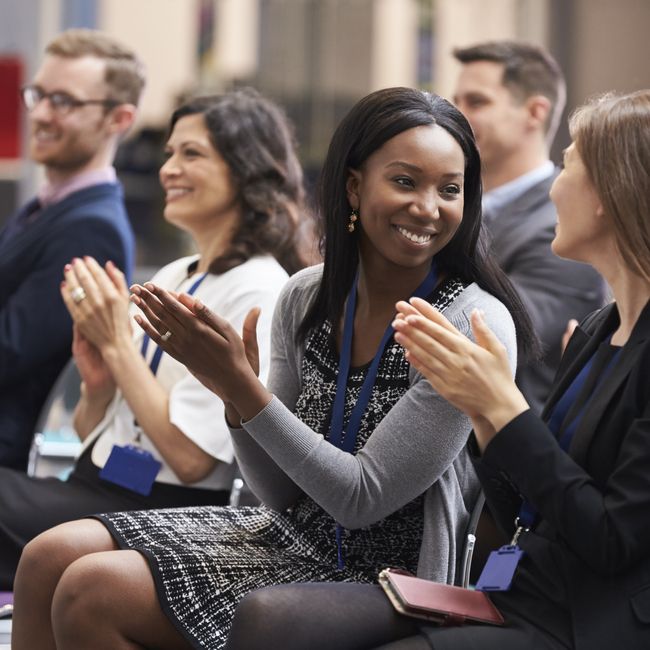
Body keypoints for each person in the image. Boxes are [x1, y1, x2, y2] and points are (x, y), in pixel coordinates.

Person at [11, 87, 532, 650]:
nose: (428, 207)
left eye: (448, 190)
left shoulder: (472, 320)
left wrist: (240, 387)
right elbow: (278, 496)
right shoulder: (307, 295)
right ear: (354, 186)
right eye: (405, 182)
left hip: (396, 574)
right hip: (286, 534)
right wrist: (239, 400)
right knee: (47, 556)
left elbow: (362, 499)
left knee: (93, 590)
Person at [224, 89, 650, 650]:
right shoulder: (599, 328)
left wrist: (502, 411)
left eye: (568, 166)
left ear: (609, 194)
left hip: (590, 621)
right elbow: (527, 509)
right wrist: (488, 420)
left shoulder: (484, 315)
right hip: (525, 593)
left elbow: (612, 540)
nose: (551, 186)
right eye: (405, 181)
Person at [0, 88, 303, 591]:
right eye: (169, 154)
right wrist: (100, 381)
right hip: (98, 482)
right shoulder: (176, 272)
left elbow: (190, 462)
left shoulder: (259, 286)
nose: (168, 170)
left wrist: (119, 344)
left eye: (191, 154)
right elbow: (89, 433)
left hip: (157, 506)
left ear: (246, 171)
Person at [0, 29, 143, 470]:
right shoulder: (49, 206)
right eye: (38, 94)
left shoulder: (91, 229)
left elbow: (9, 352)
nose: (41, 114)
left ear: (118, 119)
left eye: (63, 101)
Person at [453, 40, 606, 413]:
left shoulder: (566, 229)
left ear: (535, 112)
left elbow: (486, 336)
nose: (455, 117)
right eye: (454, 102)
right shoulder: (454, 206)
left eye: (476, 102)